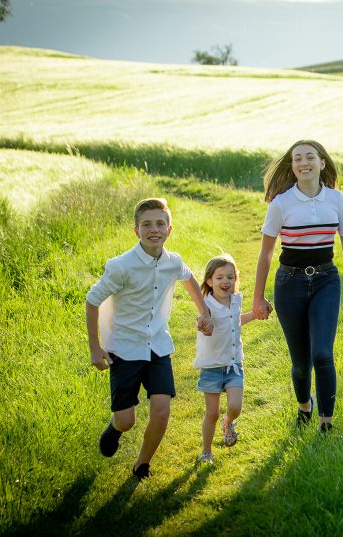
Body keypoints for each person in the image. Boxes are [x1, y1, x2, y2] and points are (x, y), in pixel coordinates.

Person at [252, 139, 343, 433]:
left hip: (325, 281)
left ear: (322, 163)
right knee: (300, 363)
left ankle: (326, 423)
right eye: (297, 159)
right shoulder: (281, 203)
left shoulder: (337, 200)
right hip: (289, 283)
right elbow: (266, 254)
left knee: (322, 353)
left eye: (310, 157)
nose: (303, 162)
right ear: (292, 166)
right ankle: (305, 407)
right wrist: (258, 298)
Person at [86, 197, 212, 480]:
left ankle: (142, 463)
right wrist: (96, 349)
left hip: (158, 346)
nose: (154, 229)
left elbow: (189, 279)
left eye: (160, 223)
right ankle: (115, 427)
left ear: (169, 229)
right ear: (136, 230)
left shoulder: (173, 262)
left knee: (161, 412)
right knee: (126, 420)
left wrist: (204, 312)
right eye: (147, 224)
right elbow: (92, 301)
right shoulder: (121, 266)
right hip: (125, 348)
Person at [195, 253, 266, 463]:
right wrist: (203, 325)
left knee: (235, 407)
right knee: (212, 413)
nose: (225, 281)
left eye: (230, 277)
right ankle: (206, 452)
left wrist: (255, 314)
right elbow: (201, 320)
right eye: (219, 277)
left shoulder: (235, 301)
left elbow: (235, 321)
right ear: (209, 280)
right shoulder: (205, 304)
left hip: (234, 364)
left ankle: (228, 423)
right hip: (212, 366)